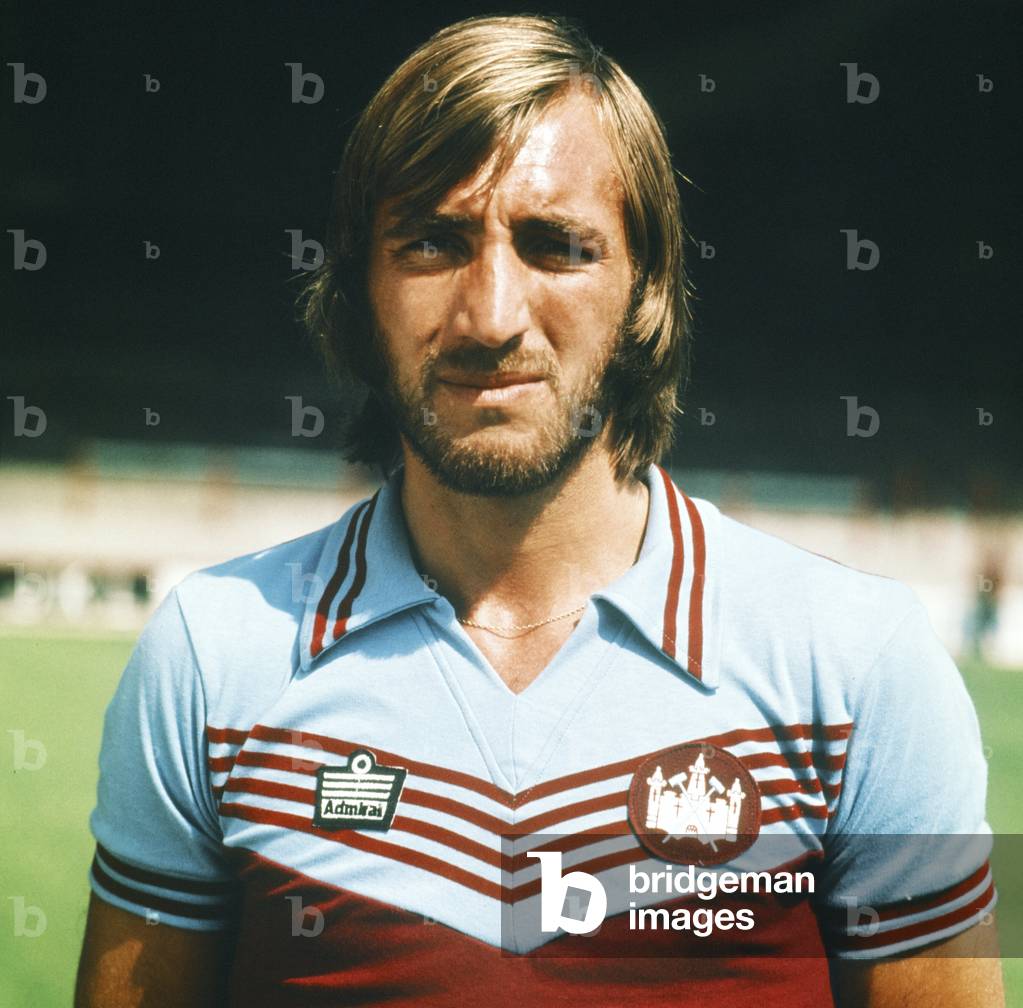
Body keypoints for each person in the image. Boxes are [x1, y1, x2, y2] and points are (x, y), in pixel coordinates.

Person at [75, 14, 1003, 1007]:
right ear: (357, 288)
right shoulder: (212, 659)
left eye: (556, 246)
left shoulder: (856, 668)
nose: (490, 317)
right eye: (431, 243)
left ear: (645, 287)